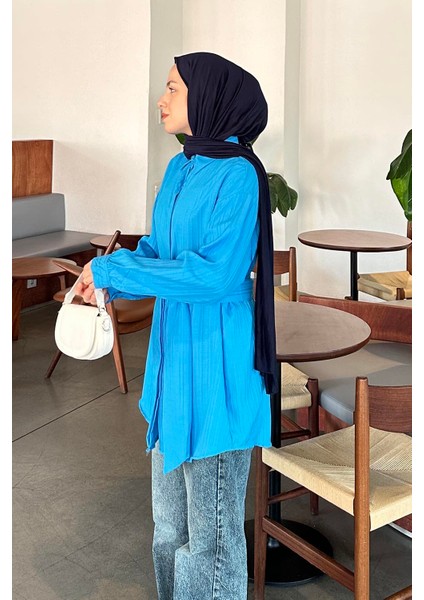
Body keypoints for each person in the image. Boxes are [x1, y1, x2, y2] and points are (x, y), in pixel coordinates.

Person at [75, 51, 277, 600]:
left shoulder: (239, 176)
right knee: (168, 529)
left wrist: (117, 270)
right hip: (170, 371)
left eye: (172, 89)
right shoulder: (180, 166)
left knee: (209, 542)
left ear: (207, 98)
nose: (161, 100)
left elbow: (215, 276)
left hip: (216, 371)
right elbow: (160, 252)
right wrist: (107, 279)